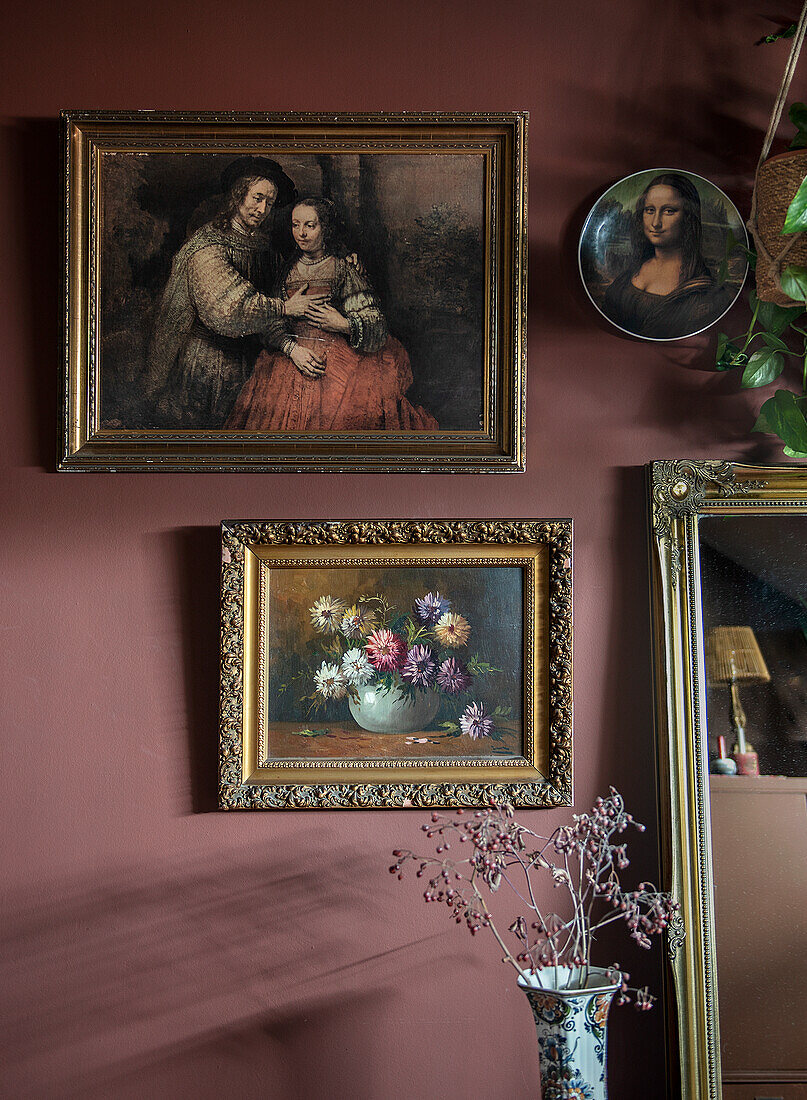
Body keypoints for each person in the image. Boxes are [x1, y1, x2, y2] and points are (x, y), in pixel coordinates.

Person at [143, 157, 328, 427]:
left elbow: (284, 295)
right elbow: (231, 310)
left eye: (270, 203)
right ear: (239, 195)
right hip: (207, 367)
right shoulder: (208, 246)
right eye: (257, 197)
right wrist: (284, 308)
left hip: (251, 365)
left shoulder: (264, 249)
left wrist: (341, 262)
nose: (262, 208)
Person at [226, 197, 438, 431]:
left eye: (310, 225)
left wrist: (343, 324)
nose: (301, 233)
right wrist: (292, 349)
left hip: (337, 363)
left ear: (325, 228)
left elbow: (375, 323)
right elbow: (270, 324)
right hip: (291, 359)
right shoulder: (285, 272)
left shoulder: (342, 269)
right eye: (295, 225)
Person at [602, 172, 733, 340]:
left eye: (669, 211)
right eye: (650, 210)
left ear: (688, 218)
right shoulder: (631, 271)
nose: (655, 222)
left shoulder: (704, 294)